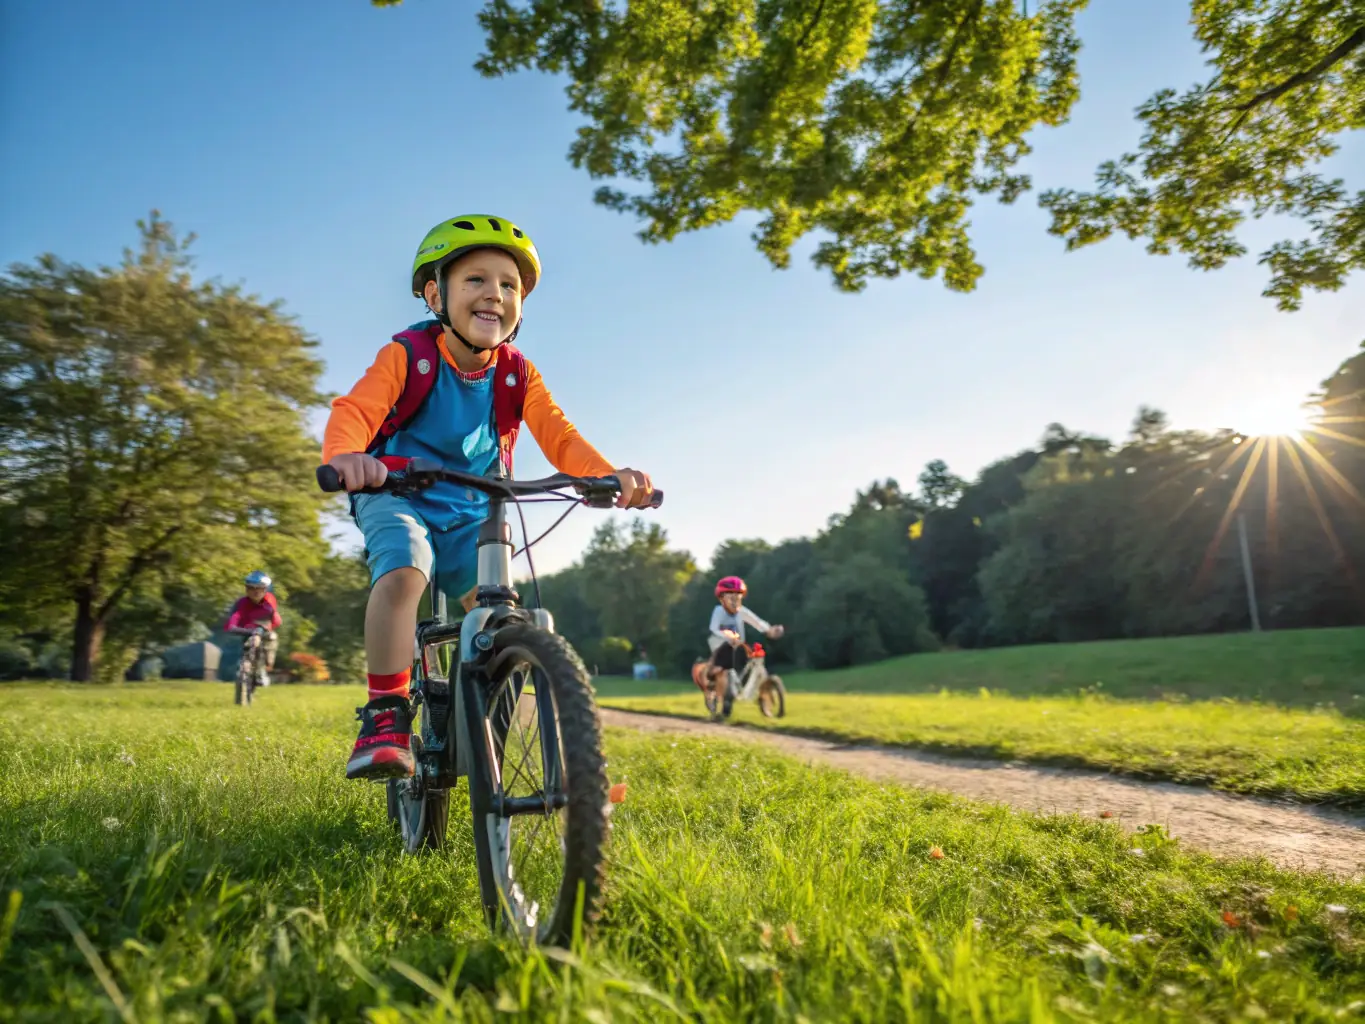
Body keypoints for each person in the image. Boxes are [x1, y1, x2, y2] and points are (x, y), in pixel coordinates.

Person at [322, 214, 655, 780]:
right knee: (405, 569)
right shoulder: (409, 355)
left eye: (509, 286)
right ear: (436, 294)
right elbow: (355, 412)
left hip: (473, 504)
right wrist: (347, 457)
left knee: (502, 612)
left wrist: (607, 476)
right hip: (394, 490)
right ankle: (385, 714)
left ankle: (481, 732)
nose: (494, 295)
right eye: (475, 279)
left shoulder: (517, 374)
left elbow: (560, 435)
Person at [699, 576, 783, 708]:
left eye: (738, 594)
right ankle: (718, 691)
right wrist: (727, 636)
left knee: (751, 659)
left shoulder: (741, 611)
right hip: (719, 642)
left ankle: (749, 689)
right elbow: (714, 628)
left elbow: (757, 622)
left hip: (737, 644)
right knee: (722, 668)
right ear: (721, 597)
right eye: (730, 594)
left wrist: (769, 630)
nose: (734, 598)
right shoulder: (719, 611)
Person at [224, 570, 281, 685]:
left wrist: (259, 631)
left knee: (271, 639)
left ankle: (263, 669)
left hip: (264, 628)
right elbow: (233, 620)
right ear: (246, 589)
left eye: (259, 588)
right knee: (247, 647)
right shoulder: (241, 603)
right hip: (247, 630)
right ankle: (245, 671)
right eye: (251, 588)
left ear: (265, 589)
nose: (255, 591)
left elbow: (270, 621)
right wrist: (235, 627)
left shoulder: (268, 601)